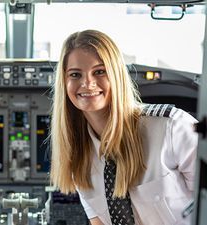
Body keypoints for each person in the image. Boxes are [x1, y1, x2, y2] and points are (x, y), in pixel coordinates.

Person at [50, 29, 198, 225]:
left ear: (116, 75)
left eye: (99, 72)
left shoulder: (173, 127)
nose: (87, 83)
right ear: (64, 83)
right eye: (75, 74)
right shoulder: (78, 154)